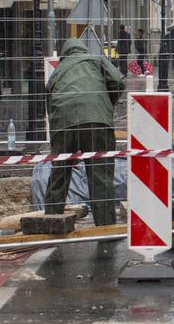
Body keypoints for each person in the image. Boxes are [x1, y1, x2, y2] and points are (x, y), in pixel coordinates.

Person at [44, 37, 125, 225]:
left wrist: (59, 146)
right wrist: (105, 105)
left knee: (59, 174)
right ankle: (105, 227)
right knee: (101, 176)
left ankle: (52, 222)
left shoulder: (58, 72)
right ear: (83, 50)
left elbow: (51, 106)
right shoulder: (96, 59)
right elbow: (117, 81)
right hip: (98, 123)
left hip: (64, 124)